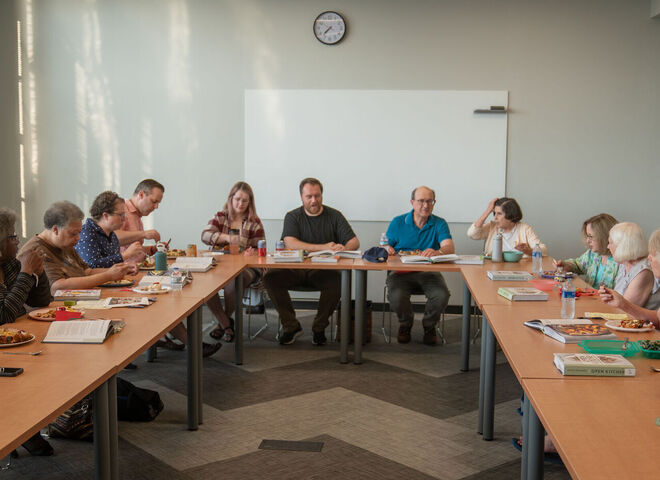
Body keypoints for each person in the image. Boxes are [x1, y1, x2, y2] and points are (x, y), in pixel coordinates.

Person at [263, 177, 359, 346]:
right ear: (301, 197)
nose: (314, 200)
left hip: (322, 272)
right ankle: (291, 326)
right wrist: (324, 247)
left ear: (322, 195)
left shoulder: (334, 215)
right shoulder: (293, 216)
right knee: (270, 278)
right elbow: (290, 243)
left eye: (317, 196)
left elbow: (354, 241)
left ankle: (319, 327)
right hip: (294, 270)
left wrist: (343, 248)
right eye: (309, 196)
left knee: (339, 280)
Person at [0, 208, 54, 456]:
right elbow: (4, 315)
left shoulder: (10, 264)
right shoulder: (16, 267)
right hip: (6, 345)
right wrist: (25, 273)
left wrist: (38, 273)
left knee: (49, 363)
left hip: (14, 341)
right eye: (12, 237)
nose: (17, 241)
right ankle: (17, 428)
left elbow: (41, 301)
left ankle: (25, 426)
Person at [384, 186, 454, 345]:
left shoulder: (439, 223)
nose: (425, 205)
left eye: (430, 201)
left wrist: (438, 252)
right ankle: (405, 324)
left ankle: (429, 326)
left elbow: (449, 247)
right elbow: (384, 245)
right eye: (421, 201)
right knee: (396, 296)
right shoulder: (398, 222)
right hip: (401, 272)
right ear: (412, 202)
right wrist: (386, 248)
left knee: (441, 295)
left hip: (429, 272)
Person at [19, 201, 136, 293]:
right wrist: (108, 276)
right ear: (55, 229)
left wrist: (119, 270)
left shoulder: (65, 244)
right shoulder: (36, 250)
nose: (78, 238)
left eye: (79, 233)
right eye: (74, 233)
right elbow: (57, 287)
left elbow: (87, 272)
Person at [201, 181, 265, 342]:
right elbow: (205, 236)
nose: (240, 203)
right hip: (221, 264)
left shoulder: (254, 222)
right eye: (237, 199)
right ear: (231, 199)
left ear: (250, 202)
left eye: (245, 200)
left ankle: (223, 323)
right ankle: (226, 324)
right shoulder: (220, 217)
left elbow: (260, 249)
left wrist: (252, 252)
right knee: (205, 282)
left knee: (235, 280)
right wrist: (226, 237)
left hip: (247, 267)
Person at [599, 228, 660, 329]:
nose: (649, 258)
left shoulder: (644, 271)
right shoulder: (623, 266)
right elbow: (658, 319)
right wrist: (621, 303)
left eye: (653, 254)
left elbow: (622, 314)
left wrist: (623, 304)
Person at [74, 191, 146, 267]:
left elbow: (113, 266)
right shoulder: (87, 233)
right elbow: (92, 265)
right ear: (105, 216)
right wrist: (126, 254)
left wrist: (126, 267)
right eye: (121, 215)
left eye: (124, 214)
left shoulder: (112, 235)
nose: (124, 219)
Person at [554, 213, 619, 288]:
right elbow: (578, 265)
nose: (588, 240)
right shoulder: (592, 254)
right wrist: (567, 265)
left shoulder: (620, 262)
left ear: (604, 236)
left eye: (591, 236)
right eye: (587, 236)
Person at [467, 197, 546, 257]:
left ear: (510, 215)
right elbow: (472, 234)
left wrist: (528, 251)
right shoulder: (492, 226)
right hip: (493, 269)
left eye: (499, 214)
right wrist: (488, 210)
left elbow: (544, 250)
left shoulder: (525, 229)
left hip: (519, 270)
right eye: (494, 213)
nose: (495, 217)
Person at [115, 178, 163, 256]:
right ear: (141, 195)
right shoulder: (122, 209)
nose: (156, 206)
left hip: (139, 263)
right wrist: (143, 234)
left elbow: (135, 250)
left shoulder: (137, 214)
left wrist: (153, 249)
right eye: (154, 201)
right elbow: (112, 238)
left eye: (158, 203)